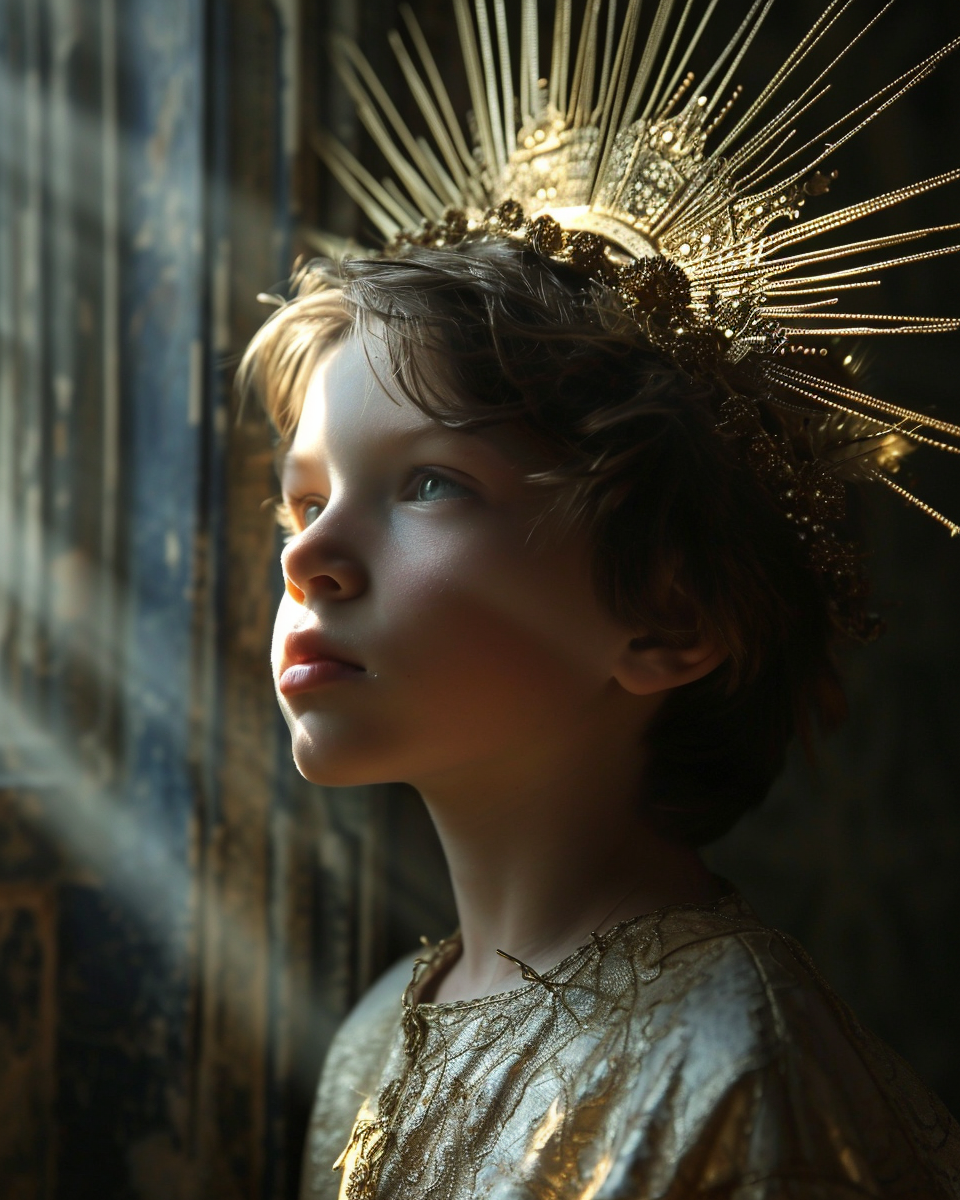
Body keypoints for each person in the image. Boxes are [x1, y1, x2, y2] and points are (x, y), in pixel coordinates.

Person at [238, 2, 960, 1196]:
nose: (308, 557)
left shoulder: (739, 1061)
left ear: (668, 621)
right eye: (302, 499)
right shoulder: (376, 1036)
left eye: (427, 482)